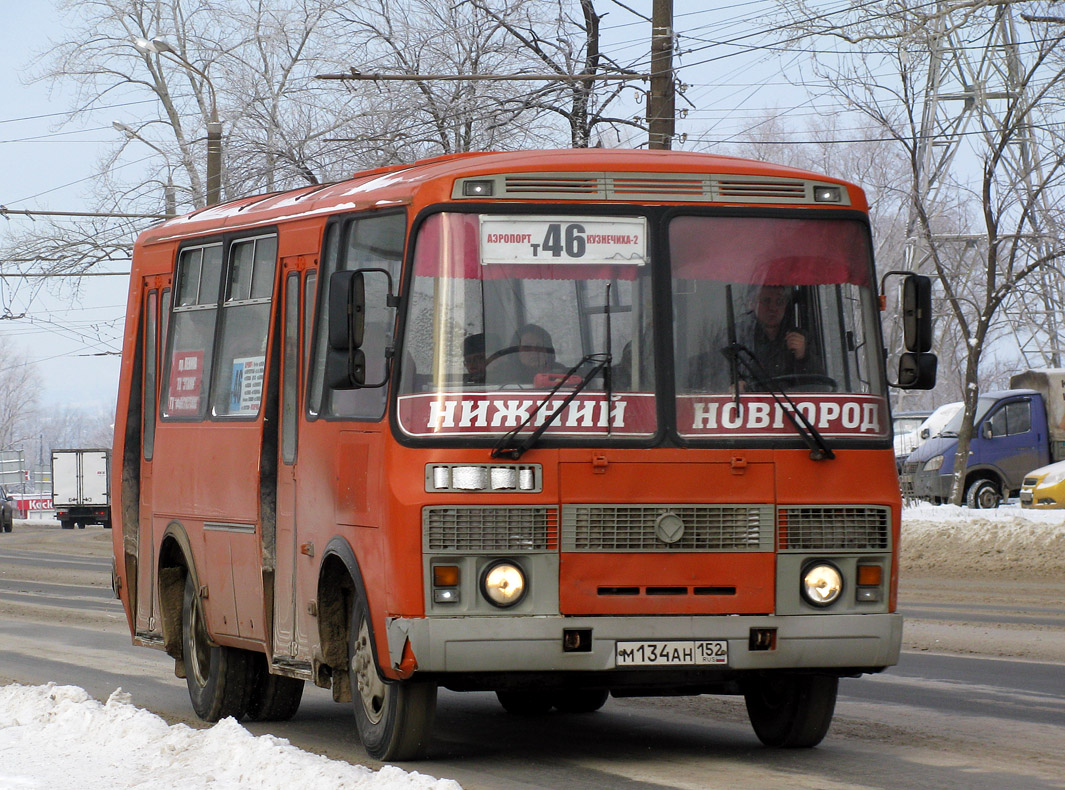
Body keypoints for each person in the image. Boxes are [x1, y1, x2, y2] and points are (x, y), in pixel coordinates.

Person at [741, 284, 821, 382]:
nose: (773, 308)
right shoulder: (739, 338)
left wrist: (803, 357)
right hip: (753, 397)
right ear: (752, 304)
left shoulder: (803, 339)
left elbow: (820, 386)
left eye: (779, 302)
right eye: (766, 301)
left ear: (786, 304)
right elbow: (723, 378)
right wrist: (737, 385)